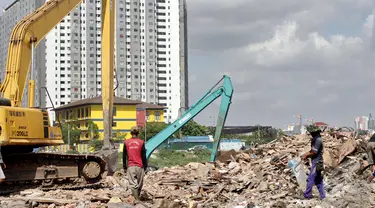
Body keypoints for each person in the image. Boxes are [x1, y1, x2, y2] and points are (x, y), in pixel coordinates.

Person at [300, 125, 325, 200]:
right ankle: (322, 196)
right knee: (318, 180)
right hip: (318, 162)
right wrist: (305, 154)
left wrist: (306, 156)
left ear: (315, 132)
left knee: (310, 179)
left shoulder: (318, 140)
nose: (311, 134)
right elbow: (311, 151)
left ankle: (307, 195)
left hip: (316, 163)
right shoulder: (316, 139)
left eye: (311, 132)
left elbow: (314, 152)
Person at [123, 127, 147, 200]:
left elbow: (124, 155)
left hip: (130, 166)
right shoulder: (141, 142)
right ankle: (137, 199)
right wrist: (145, 166)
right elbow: (143, 155)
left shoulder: (126, 142)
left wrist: (124, 166)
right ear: (138, 133)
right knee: (140, 184)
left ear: (131, 133)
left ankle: (136, 199)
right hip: (140, 166)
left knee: (133, 184)